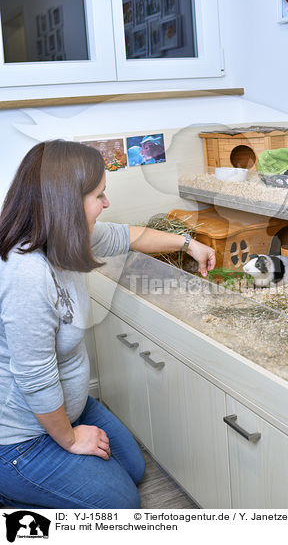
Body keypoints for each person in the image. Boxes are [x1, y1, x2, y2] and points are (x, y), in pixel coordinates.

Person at [0, 140, 216, 509]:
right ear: (65, 202)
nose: (107, 203)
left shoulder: (67, 237)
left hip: (70, 404)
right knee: (123, 504)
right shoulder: (27, 273)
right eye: (99, 195)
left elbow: (128, 236)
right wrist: (70, 440)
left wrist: (188, 243)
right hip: (23, 436)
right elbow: (35, 378)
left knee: (133, 467)